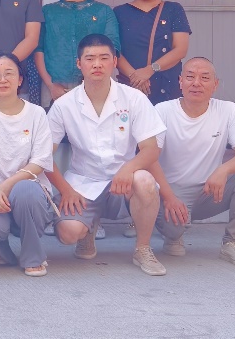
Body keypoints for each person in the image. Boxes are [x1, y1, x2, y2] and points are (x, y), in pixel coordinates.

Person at [46, 34, 168, 276]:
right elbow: (44, 155)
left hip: (125, 180)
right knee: (68, 233)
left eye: (104, 58)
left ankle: (143, 248)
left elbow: (152, 148)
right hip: (83, 182)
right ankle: (87, 230)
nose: (97, 64)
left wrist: (128, 168)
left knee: (145, 181)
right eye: (90, 58)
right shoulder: (64, 104)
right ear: (79, 64)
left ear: (114, 62)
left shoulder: (134, 98)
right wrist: (66, 190)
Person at [150, 57, 235, 269]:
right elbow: (149, 158)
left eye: (204, 78)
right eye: (190, 77)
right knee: (174, 230)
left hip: (210, 191)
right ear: (180, 81)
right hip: (171, 191)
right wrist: (169, 197)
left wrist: (223, 170)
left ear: (215, 84)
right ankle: (173, 237)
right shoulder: (162, 110)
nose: (196, 83)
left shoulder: (228, 110)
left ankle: (234, 243)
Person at [0, 52, 57, 277]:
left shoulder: (36, 113)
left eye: (9, 73)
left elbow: (40, 161)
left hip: (29, 191)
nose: (2, 79)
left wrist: (6, 186)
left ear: (20, 79)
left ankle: (33, 255)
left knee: (25, 191)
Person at [37, 0, 119, 101]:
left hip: (95, 84)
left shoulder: (104, 11)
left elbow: (113, 48)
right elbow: (38, 50)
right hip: (55, 86)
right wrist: (50, 85)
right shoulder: (47, 12)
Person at [115, 0, 191, 105]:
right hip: (131, 88)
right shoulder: (118, 12)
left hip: (166, 88)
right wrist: (135, 77)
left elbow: (180, 49)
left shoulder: (174, 9)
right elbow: (114, 52)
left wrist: (150, 70)